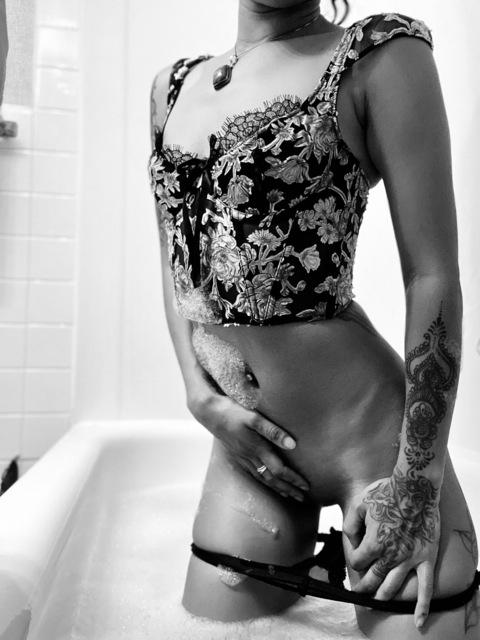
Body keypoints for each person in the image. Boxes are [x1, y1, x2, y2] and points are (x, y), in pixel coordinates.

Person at [148, 1, 479, 638]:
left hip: (380, 452)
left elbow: (433, 276)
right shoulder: (171, 88)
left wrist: (417, 483)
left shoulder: (380, 54)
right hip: (251, 453)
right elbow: (174, 263)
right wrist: (199, 396)